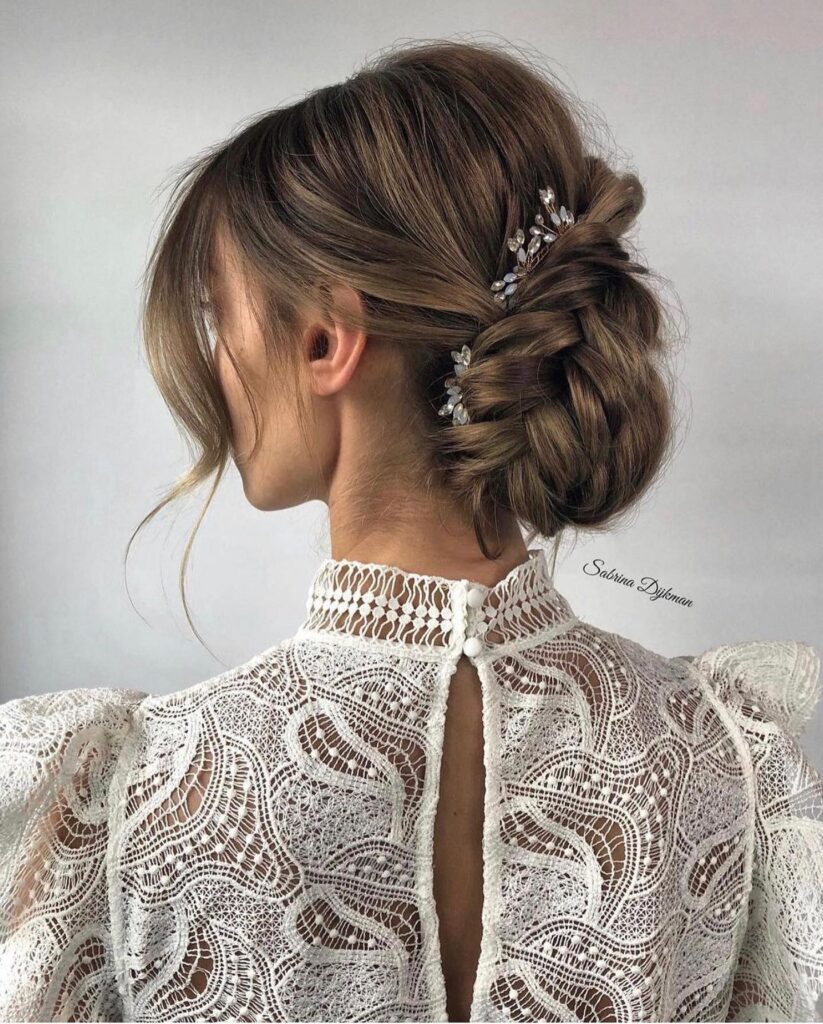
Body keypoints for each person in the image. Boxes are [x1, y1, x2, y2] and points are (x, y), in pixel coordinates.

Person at [0, 38, 820, 1024]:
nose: (215, 363)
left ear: (322, 340)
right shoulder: (727, 755)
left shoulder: (137, 792)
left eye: (223, 316)